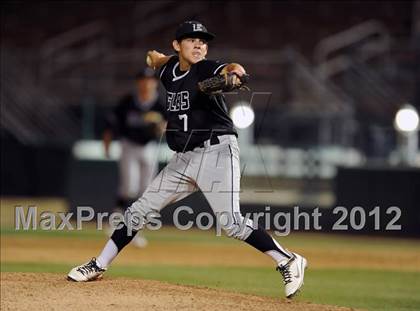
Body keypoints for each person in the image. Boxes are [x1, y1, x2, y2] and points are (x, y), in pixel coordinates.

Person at [68, 21, 307, 299]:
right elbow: (160, 59)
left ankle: (288, 260)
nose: (199, 45)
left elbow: (234, 69)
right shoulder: (169, 70)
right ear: (177, 45)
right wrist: (156, 58)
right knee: (138, 210)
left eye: (203, 41)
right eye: (191, 40)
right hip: (183, 159)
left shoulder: (206, 68)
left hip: (217, 151)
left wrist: (236, 76)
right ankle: (98, 264)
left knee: (231, 222)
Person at [103, 68, 166, 247]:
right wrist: (107, 141)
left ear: (155, 83)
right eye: (143, 80)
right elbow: (112, 122)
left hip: (149, 147)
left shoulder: (159, 104)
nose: (147, 83)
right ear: (138, 82)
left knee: (146, 191)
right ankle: (115, 222)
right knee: (128, 187)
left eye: (150, 80)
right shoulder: (128, 102)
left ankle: (133, 230)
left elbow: (168, 126)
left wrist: (161, 125)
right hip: (128, 145)